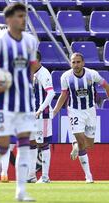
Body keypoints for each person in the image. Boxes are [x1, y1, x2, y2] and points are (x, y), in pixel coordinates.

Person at [0, 3, 39, 201]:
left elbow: (30, 69)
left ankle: (20, 191)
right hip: (4, 102)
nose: (24, 20)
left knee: (24, 144)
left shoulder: (31, 41)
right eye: (20, 16)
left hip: (24, 102)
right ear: (9, 19)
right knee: (3, 146)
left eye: (25, 16)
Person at [53, 52, 109, 183]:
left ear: (83, 63)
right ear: (70, 63)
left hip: (90, 111)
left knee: (89, 144)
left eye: (78, 62)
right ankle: (88, 175)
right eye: (73, 62)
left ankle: (76, 146)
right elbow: (63, 95)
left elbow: (106, 85)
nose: (76, 65)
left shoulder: (92, 74)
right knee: (80, 139)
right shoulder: (65, 77)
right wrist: (55, 111)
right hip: (74, 111)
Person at [27, 51, 55, 184]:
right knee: (32, 142)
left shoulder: (44, 73)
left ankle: (45, 176)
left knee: (43, 143)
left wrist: (40, 109)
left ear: (37, 61)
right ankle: (31, 175)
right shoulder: (30, 74)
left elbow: (51, 93)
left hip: (42, 115)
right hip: (31, 114)